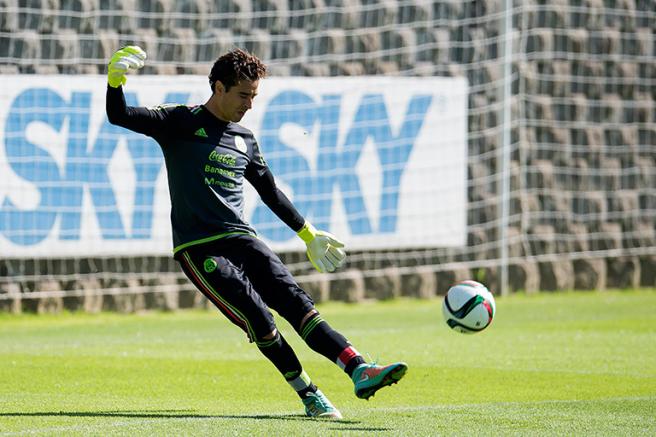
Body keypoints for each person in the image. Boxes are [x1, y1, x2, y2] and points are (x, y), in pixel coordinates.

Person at [105, 46, 407, 419]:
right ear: (218, 87)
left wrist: (308, 233)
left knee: (299, 305)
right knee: (261, 321)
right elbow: (119, 115)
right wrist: (115, 82)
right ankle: (309, 393)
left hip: (242, 239)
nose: (249, 104)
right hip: (199, 248)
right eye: (243, 95)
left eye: (254, 96)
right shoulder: (180, 120)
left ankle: (359, 368)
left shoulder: (245, 139)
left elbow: (270, 192)